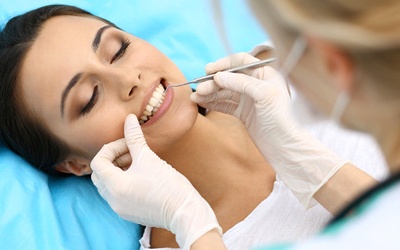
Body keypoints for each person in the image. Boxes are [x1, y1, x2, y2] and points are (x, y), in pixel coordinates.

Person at [1, 4, 381, 250]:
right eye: (88, 99)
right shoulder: (188, 239)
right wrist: (194, 227)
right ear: (75, 164)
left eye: (118, 50)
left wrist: (310, 165)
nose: (128, 79)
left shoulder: (295, 69)